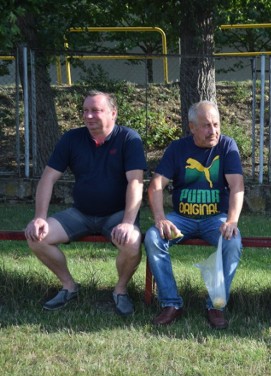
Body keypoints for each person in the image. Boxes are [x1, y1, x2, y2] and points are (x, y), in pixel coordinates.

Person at [24, 90, 147, 316]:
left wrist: (129, 222)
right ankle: (69, 286)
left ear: (113, 113)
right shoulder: (72, 139)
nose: (89, 116)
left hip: (117, 215)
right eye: (85, 111)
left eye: (96, 111)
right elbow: (48, 178)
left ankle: (120, 290)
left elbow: (136, 182)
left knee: (132, 241)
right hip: (80, 213)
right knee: (36, 236)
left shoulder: (129, 139)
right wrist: (39, 217)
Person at [144, 101, 244, 329]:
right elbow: (156, 185)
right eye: (207, 126)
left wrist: (232, 220)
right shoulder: (177, 148)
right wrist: (160, 218)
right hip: (182, 219)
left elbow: (237, 186)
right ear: (192, 127)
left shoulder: (227, 146)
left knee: (233, 241)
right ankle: (171, 303)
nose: (213, 131)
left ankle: (215, 306)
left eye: (216, 124)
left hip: (216, 219)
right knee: (152, 237)